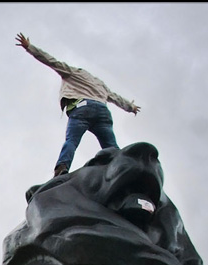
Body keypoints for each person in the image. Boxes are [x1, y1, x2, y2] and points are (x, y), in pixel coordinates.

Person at [15, 32, 140, 178]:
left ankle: (62, 167)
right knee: (111, 147)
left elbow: (51, 61)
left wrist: (30, 47)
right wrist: (130, 107)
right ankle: (123, 168)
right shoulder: (100, 84)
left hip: (82, 109)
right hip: (102, 112)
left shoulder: (73, 73)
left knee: (72, 141)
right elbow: (115, 97)